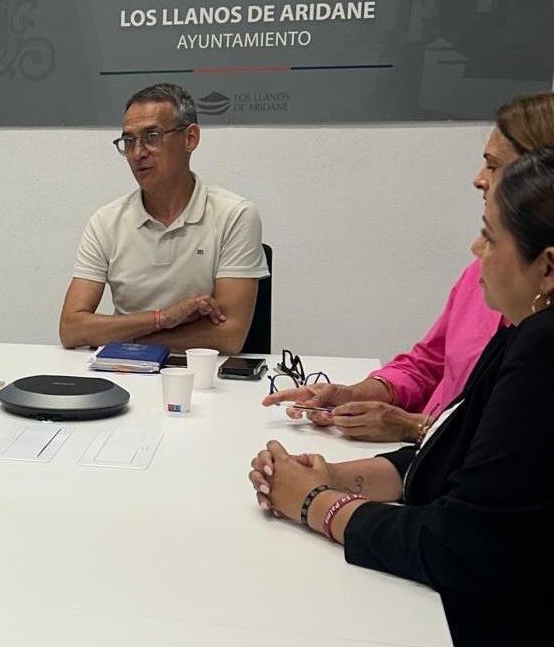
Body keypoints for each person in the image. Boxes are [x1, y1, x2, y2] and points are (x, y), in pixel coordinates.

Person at [247, 146, 554, 641]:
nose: (476, 250)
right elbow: (456, 450)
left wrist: (315, 504)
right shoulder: (522, 323)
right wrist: (336, 475)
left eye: (489, 236)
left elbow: (457, 545)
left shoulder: (543, 348)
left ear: (547, 267)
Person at [263, 92, 554, 442]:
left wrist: (413, 428)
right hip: (419, 467)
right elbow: (427, 364)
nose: (478, 178)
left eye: (493, 165)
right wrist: (356, 395)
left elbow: (507, 455)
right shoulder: (481, 274)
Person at [58, 83, 268, 352]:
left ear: (190, 138)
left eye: (152, 137)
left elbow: (228, 336)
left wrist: (126, 339)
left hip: (199, 376)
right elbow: (72, 329)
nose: (137, 153)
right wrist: (163, 318)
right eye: (129, 141)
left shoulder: (235, 215)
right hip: (123, 369)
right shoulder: (106, 221)